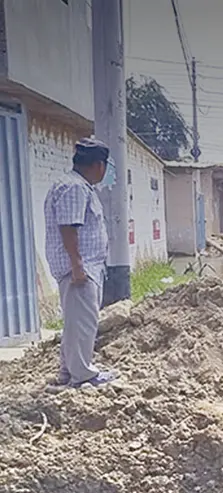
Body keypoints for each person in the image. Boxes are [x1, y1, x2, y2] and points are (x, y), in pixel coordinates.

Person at [44, 137, 119, 387]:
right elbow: (68, 228)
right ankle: (83, 375)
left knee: (75, 323)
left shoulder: (77, 186)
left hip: (84, 267)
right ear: (99, 165)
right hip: (79, 269)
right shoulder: (74, 188)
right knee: (83, 324)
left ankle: (68, 372)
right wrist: (77, 266)